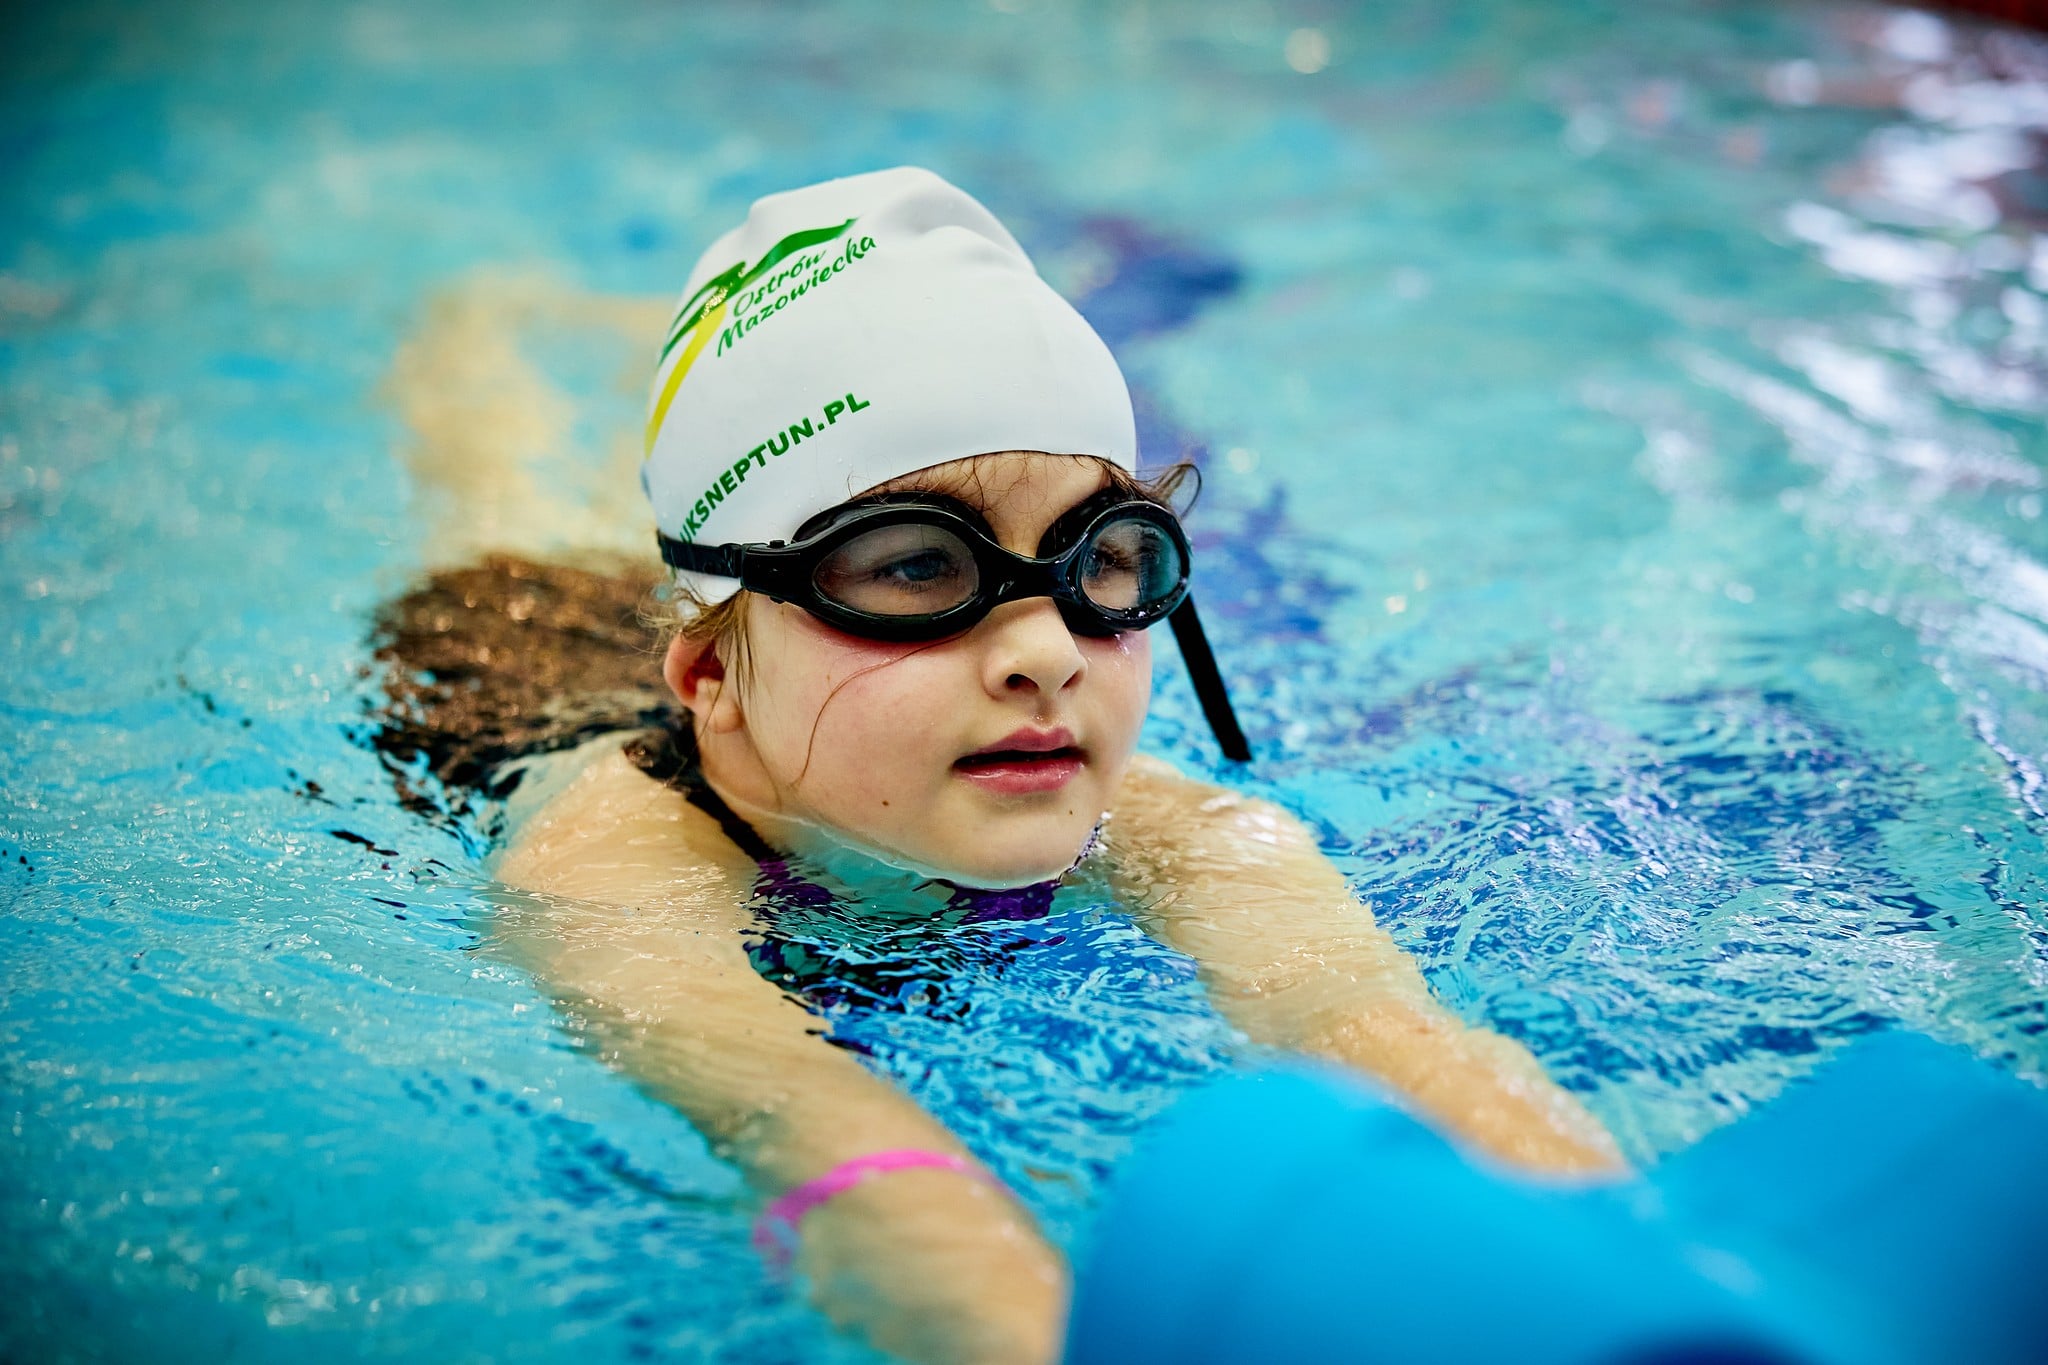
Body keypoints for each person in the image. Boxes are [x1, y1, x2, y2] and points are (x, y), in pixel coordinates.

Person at [393, 167, 1622, 1365]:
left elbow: (1374, 1029)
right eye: (915, 566)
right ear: (709, 677)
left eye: (1101, 559)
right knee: (501, 497)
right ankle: (481, 326)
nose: (1047, 653)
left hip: (757, 634)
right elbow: (824, 1135)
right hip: (514, 655)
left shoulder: (1185, 834)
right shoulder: (605, 870)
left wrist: (1631, 1266)